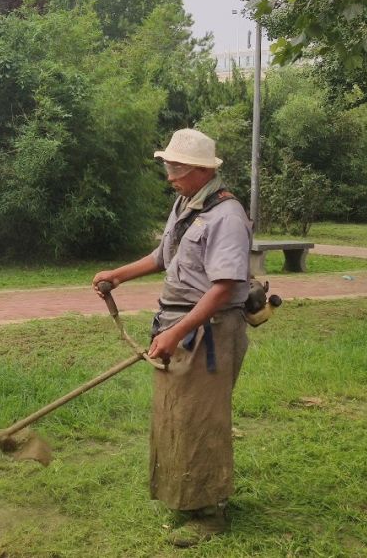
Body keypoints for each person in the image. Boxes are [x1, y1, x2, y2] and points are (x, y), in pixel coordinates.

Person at [91, 128, 251, 548]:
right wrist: (117, 275)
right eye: (169, 167)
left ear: (201, 170)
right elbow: (164, 257)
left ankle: (210, 513)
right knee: (176, 415)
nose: (169, 176)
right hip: (178, 328)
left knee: (201, 419)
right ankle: (187, 498)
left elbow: (222, 289)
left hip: (208, 334)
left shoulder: (227, 215)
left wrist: (176, 332)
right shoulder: (186, 206)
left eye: (177, 169)